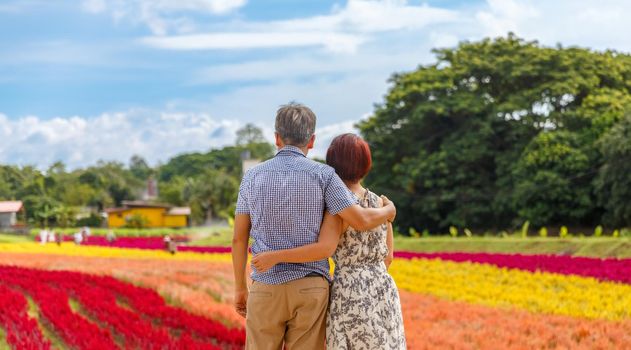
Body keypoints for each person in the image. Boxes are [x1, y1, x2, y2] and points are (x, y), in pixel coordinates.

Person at [232, 103, 396, 350]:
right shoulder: (325, 176)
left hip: (265, 287)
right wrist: (389, 210)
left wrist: (240, 288)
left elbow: (238, 239)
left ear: (277, 138)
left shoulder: (252, 177)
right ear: (311, 141)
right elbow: (360, 220)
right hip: (311, 286)